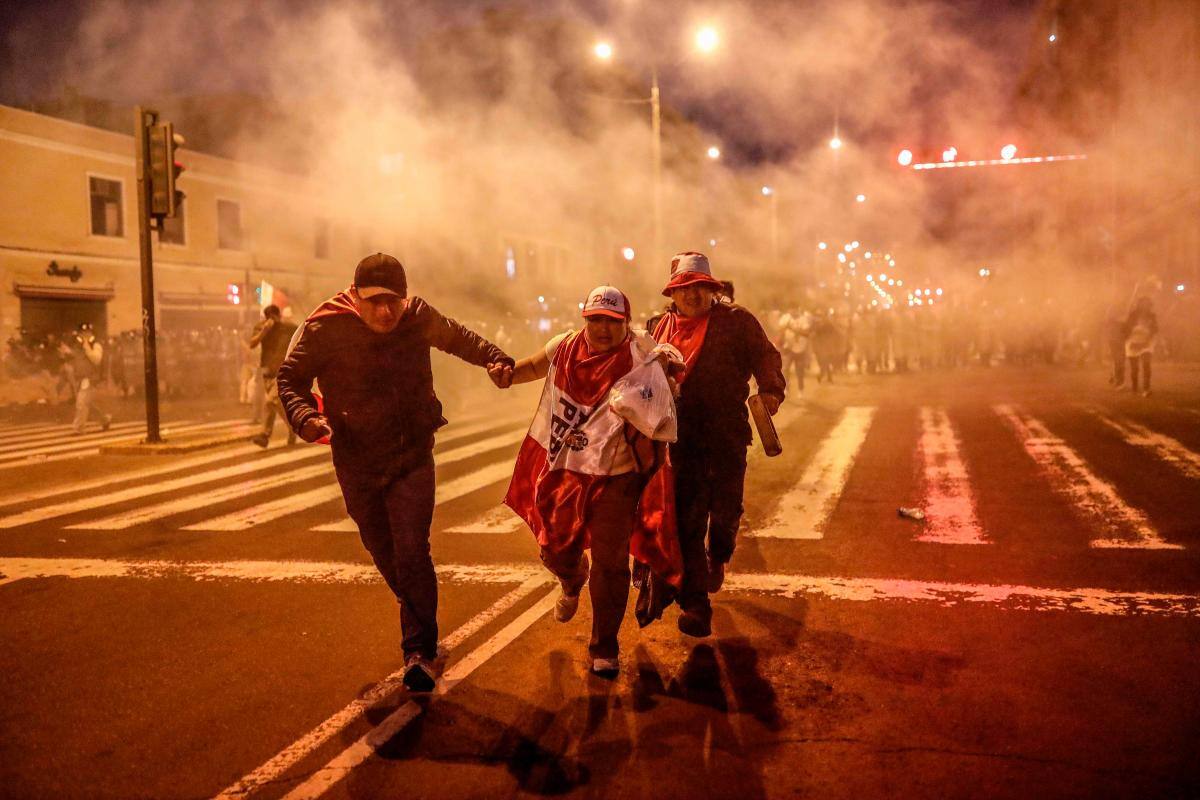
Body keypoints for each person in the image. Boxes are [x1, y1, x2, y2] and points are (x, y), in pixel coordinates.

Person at [276, 253, 515, 692]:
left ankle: (419, 651)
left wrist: (495, 359)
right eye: (375, 301)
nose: (386, 311)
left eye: (394, 301)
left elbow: (460, 338)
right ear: (355, 296)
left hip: (411, 455)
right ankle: (418, 615)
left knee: (411, 550)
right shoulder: (326, 326)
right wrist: (306, 416)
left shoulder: (418, 317)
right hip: (356, 458)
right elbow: (290, 378)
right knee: (382, 549)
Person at [504, 285, 682, 676]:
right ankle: (571, 581)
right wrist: (505, 374)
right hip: (564, 473)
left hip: (617, 478)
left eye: (612, 321)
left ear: (626, 323)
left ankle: (605, 646)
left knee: (610, 563)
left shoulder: (642, 355)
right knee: (554, 550)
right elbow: (531, 367)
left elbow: (666, 394)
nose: (602, 328)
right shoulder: (564, 346)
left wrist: (669, 381)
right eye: (595, 319)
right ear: (584, 318)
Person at [651, 252, 785, 637]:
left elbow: (766, 357)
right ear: (673, 294)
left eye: (699, 287)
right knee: (688, 521)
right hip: (680, 442)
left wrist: (771, 392)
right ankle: (696, 606)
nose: (692, 295)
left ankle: (720, 553)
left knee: (725, 512)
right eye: (683, 289)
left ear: (712, 289)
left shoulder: (737, 322)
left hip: (727, 436)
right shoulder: (657, 329)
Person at [249, 305, 299, 448]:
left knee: (271, 400)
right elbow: (252, 343)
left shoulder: (288, 328)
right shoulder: (261, 327)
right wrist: (265, 331)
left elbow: (303, 336)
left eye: (274, 317)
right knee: (274, 405)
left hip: (284, 371)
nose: (272, 320)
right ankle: (291, 429)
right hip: (267, 372)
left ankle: (265, 433)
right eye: (269, 317)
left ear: (279, 316)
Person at [66, 325, 112, 434]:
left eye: (87, 332)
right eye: (82, 332)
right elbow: (75, 359)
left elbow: (96, 360)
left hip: (90, 378)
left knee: (81, 403)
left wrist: (87, 347)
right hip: (80, 379)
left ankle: (78, 428)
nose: (84, 335)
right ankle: (104, 419)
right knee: (88, 403)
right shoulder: (78, 345)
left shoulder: (95, 345)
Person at [1124, 296, 1158, 397]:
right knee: (1134, 368)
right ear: (1139, 304)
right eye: (1143, 303)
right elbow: (1126, 330)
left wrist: (1147, 339)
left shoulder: (1152, 316)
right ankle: (1134, 388)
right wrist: (1132, 339)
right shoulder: (1132, 315)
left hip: (1146, 343)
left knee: (1146, 365)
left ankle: (1146, 388)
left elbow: (1155, 329)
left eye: (1147, 304)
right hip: (1133, 342)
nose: (1145, 306)